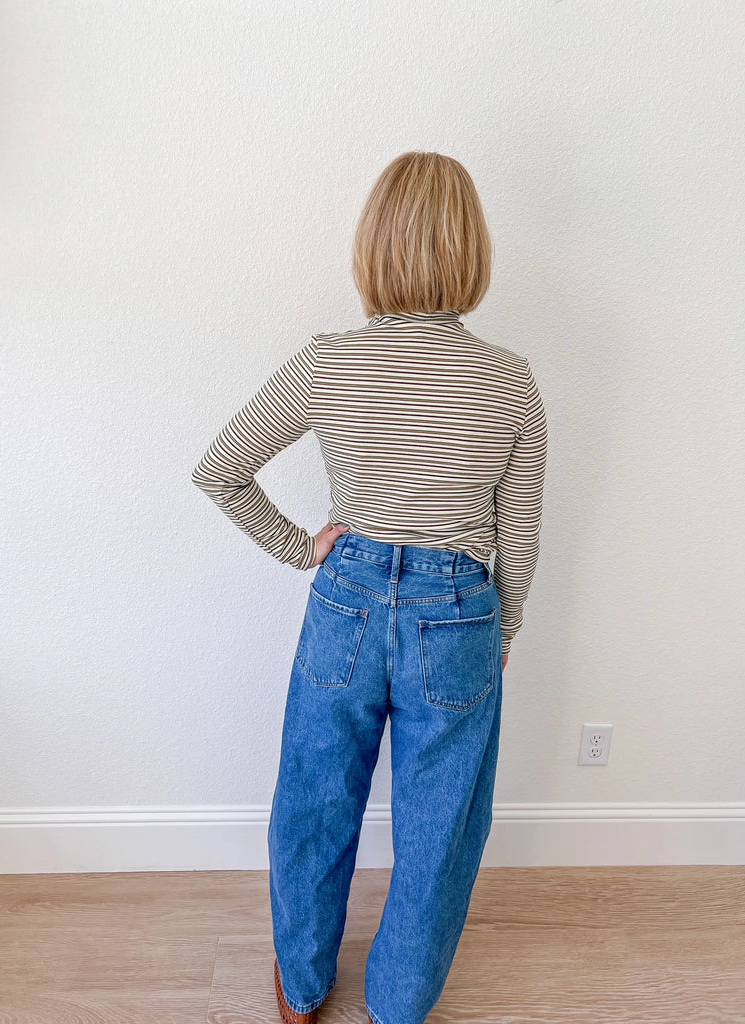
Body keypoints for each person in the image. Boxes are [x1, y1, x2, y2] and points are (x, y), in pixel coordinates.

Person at [191, 150, 547, 1024]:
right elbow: (521, 542)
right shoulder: (509, 382)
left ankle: (304, 988)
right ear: (473, 250)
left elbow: (219, 468)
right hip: (457, 613)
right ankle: (398, 1005)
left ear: (371, 249)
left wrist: (301, 546)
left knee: (315, 799)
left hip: (345, 603)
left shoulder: (329, 361)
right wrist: (498, 640)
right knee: (440, 830)